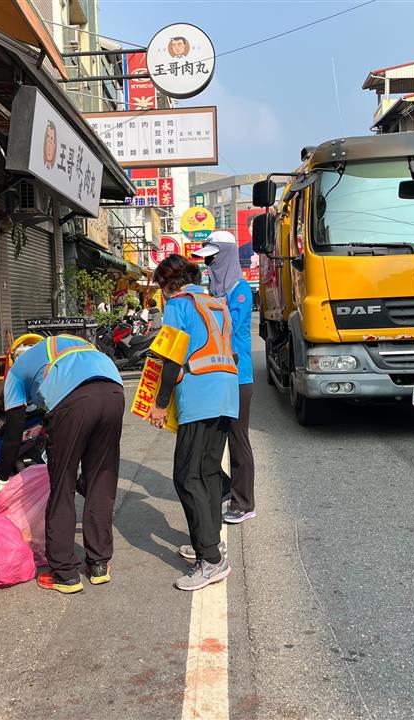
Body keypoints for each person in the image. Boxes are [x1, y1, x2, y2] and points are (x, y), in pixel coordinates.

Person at [0, 333, 124, 594]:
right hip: (114, 392)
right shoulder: (67, 342)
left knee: (62, 486)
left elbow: (14, 431)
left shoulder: (16, 372)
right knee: (101, 480)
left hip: (72, 402)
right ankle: (99, 565)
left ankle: (65, 573)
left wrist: (1, 478)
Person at [145, 255, 239, 591]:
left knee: (187, 476)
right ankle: (211, 543)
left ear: (167, 283)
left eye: (160, 287)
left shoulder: (178, 305)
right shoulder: (215, 303)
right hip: (227, 393)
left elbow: (172, 357)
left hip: (200, 396)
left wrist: (159, 403)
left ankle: (210, 560)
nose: (161, 294)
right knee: (209, 473)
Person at [193, 231, 256, 524]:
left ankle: (244, 502)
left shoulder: (240, 290)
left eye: (213, 258)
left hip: (238, 377)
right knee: (210, 438)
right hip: (214, 375)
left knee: (237, 438)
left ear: (227, 256)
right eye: (206, 260)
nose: (209, 265)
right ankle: (226, 487)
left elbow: (228, 325)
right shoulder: (212, 292)